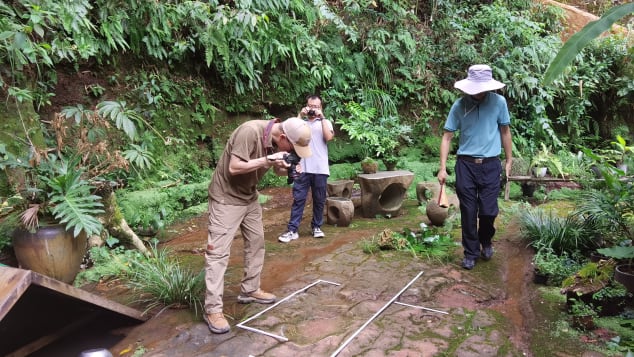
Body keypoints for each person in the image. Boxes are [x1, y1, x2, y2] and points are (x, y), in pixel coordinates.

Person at [203, 117, 312, 334]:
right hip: (226, 198)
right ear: (282, 138)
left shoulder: (274, 141)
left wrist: (286, 166)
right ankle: (212, 309)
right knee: (218, 254)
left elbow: (276, 169)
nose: (296, 151)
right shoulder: (249, 132)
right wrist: (268, 160)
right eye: (293, 148)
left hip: (249, 197)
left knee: (256, 243)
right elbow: (234, 168)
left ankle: (249, 290)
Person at [437, 64, 513, 270]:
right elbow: (447, 137)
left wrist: (509, 160)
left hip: (490, 164)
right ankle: (471, 252)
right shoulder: (459, 106)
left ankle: (486, 240)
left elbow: (505, 132)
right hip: (466, 165)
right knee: (469, 212)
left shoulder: (499, 102)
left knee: (489, 211)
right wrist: (442, 167)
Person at [278, 95, 335, 243]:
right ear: (306, 106)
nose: (313, 109)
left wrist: (321, 118)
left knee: (319, 199)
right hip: (301, 166)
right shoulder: (300, 123)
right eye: (311, 106)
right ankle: (292, 230)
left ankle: (317, 227)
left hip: (320, 168)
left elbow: (328, 137)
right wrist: (300, 115)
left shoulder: (326, 122)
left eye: (316, 107)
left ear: (320, 108)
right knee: (298, 199)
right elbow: (290, 135)